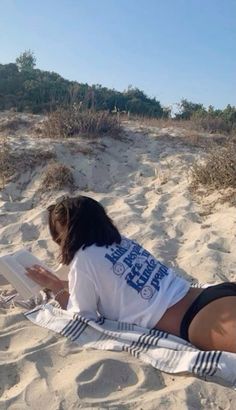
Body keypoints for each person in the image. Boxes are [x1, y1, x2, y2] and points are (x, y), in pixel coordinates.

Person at [26, 195, 236, 353]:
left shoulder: (84, 259)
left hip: (199, 320)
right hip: (211, 295)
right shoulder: (120, 241)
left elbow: (82, 317)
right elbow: (112, 284)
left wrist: (56, 289)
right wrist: (62, 283)